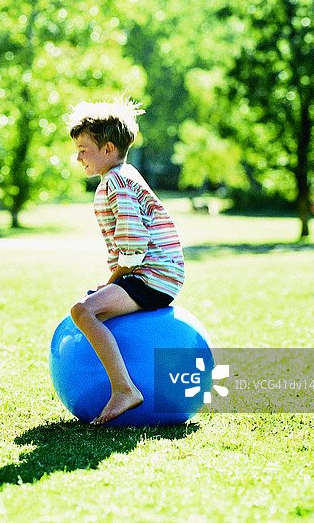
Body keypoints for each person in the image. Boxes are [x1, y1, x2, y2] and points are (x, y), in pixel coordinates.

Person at [68, 97, 185, 424]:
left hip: (152, 277)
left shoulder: (117, 181)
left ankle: (124, 389)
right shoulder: (122, 175)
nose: (77, 157)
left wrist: (111, 282)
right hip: (156, 276)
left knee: (83, 310)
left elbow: (133, 247)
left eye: (82, 149)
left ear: (107, 149)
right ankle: (122, 387)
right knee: (91, 304)